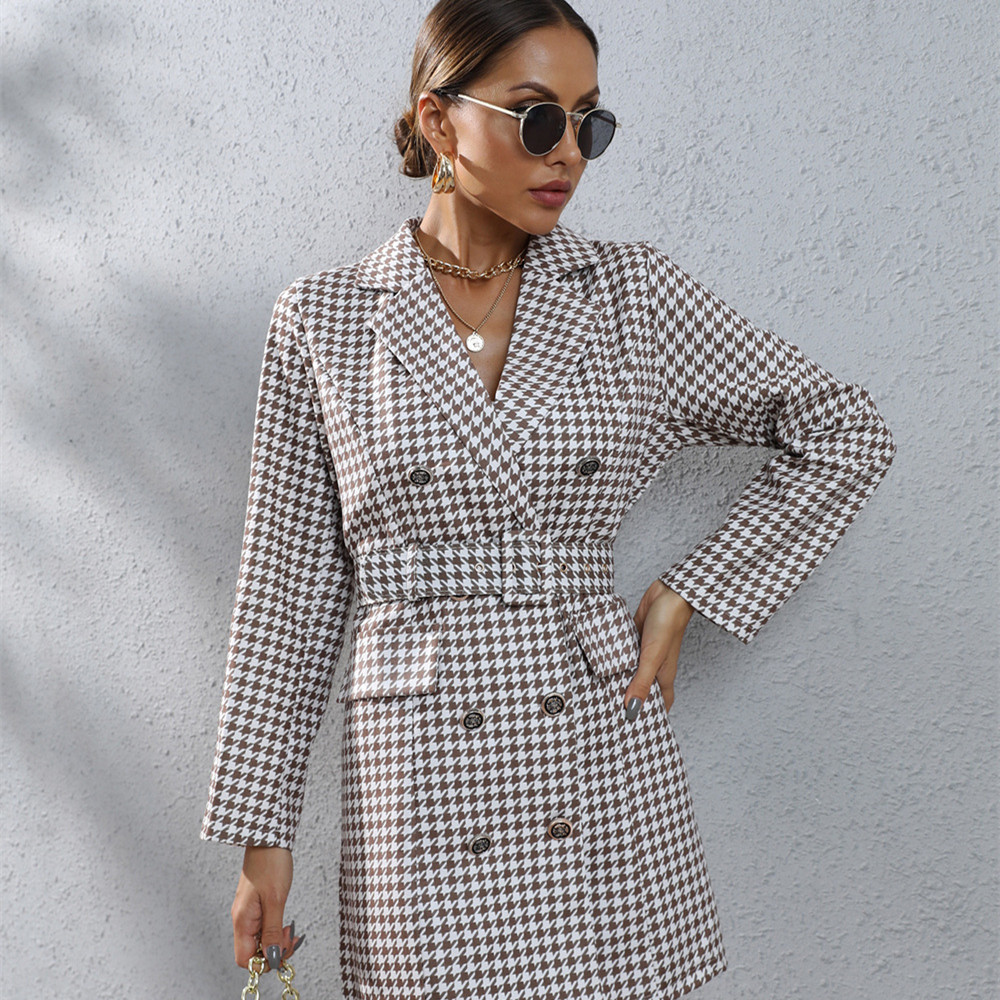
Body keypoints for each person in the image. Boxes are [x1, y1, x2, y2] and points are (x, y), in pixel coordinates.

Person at [199, 1, 897, 997]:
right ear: (439, 121)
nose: (567, 151)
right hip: (421, 770)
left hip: (592, 746)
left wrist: (690, 589)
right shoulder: (327, 318)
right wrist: (263, 838)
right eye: (536, 118)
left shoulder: (631, 298)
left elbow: (844, 429)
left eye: (588, 122)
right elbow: (288, 591)